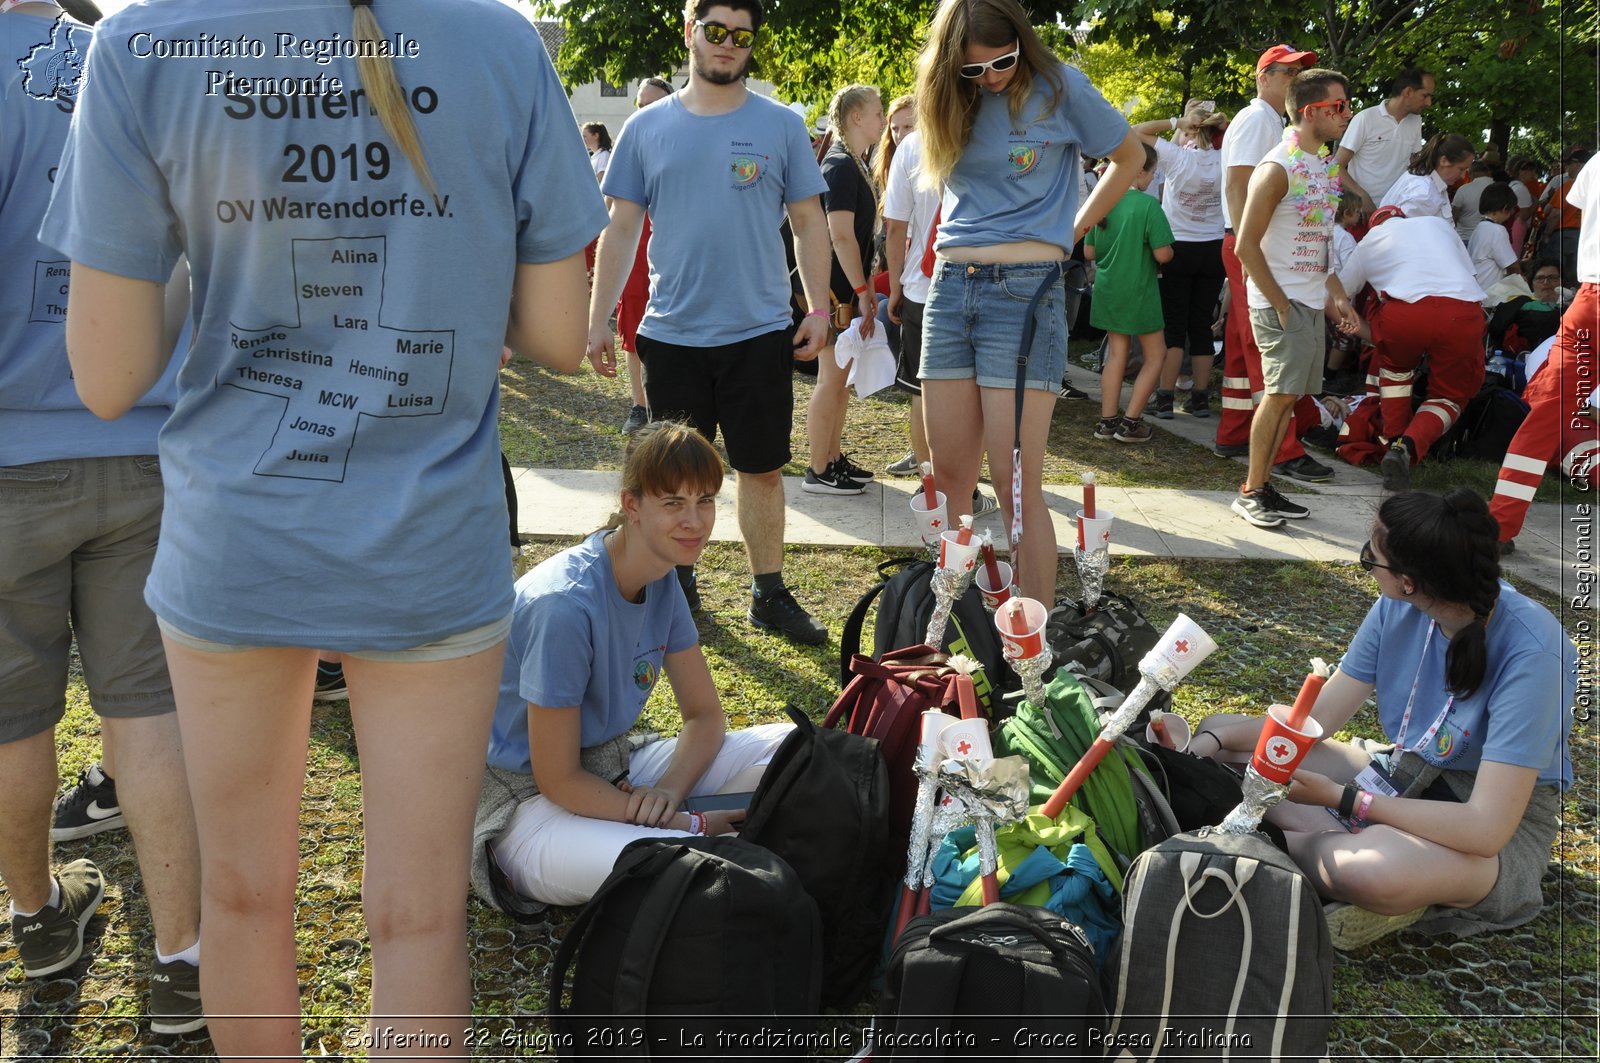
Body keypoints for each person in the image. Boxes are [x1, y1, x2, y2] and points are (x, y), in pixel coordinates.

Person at [41, 0, 606, 1055]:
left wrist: (205, 240)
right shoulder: (498, 42)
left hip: (238, 537)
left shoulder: (144, 45)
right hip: (432, 539)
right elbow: (558, 334)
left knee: (245, 899)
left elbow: (108, 375)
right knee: (422, 912)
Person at [2, 0, 202, 1035]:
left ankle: (40, 921)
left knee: (11, 716)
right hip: (142, 436)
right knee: (150, 712)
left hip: (7, 459)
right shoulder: (143, 62)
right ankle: (180, 964)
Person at [1195, 489, 1576, 951]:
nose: (1366, 565)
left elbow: (1485, 828)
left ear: (1408, 580)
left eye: (1368, 559)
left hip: (1487, 833)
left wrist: (1345, 799)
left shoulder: (1537, 654)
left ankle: (1269, 843)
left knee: (1375, 871)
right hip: (1403, 774)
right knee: (1239, 756)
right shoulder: (1398, 606)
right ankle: (1315, 850)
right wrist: (1213, 739)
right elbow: (1317, 717)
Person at [586, 0, 834, 646]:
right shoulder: (645, 128)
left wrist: (819, 304)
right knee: (675, 480)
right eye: (716, 31)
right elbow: (620, 229)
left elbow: (809, 222)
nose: (728, 45)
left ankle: (768, 592)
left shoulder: (781, 125)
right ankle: (676, 591)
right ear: (691, 32)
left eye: (741, 36)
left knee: (762, 469)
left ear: (752, 44)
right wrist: (598, 319)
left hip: (757, 332)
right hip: (672, 335)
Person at [472, 422, 791, 910]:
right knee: (701, 871)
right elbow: (556, 777)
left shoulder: (661, 575)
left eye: (705, 500)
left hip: (611, 770)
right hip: (526, 808)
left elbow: (704, 718)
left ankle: (707, 826)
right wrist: (684, 822)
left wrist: (665, 795)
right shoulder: (564, 606)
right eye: (673, 503)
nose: (695, 521)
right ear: (631, 505)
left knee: (796, 749)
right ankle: (706, 832)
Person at [913, 0, 1143, 604]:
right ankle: (951, 636)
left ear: (1023, 41)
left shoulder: (1061, 86)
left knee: (1016, 486)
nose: (989, 78)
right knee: (952, 481)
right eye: (972, 70)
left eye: (1001, 63)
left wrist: (1071, 231)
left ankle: (1030, 660)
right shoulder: (949, 96)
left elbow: (1131, 159)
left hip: (1026, 293)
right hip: (950, 287)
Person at [1231, 68, 1358, 528]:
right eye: (1339, 106)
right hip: (1279, 303)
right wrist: (1282, 306)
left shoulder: (1321, 167)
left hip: (1307, 300)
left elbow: (1320, 239)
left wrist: (1337, 295)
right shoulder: (1278, 167)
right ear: (1311, 111)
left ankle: (1263, 486)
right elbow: (1246, 246)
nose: (1347, 114)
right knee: (1279, 396)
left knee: (1289, 400)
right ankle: (1250, 492)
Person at [1213, 43, 1332, 485]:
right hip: (1251, 245)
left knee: (1247, 348)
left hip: (1247, 243)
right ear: (1263, 77)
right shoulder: (1257, 118)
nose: (1295, 79)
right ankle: (1282, 451)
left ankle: (1234, 431)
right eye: (1287, 72)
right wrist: (1251, 246)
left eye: (1302, 72)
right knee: (1269, 350)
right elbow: (1238, 182)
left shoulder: (1271, 121)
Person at [1332, 209, 1488, 489]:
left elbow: (1336, 296)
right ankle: (1408, 446)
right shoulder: (1437, 224)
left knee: (1395, 375)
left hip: (1404, 314)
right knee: (1450, 395)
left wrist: (1369, 332)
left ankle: (1393, 440)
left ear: (1372, 226)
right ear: (1404, 218)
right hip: (1461, 312)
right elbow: (1468, 273)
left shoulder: (1370, 241)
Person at [1492, 152, 1599, 551]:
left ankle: (1499, 525)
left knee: (1543, 420)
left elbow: (1579, 207)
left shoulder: (1596, 163)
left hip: (1591, 300)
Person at [803, 83, 886, 496]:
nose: (883, 119)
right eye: (877, 112)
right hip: (835, 292)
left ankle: (832, 458)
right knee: (830, 380)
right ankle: (818, 468)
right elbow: (840, 237)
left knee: (840, 380)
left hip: (847, 290)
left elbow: (859, 239)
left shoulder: (853, 164)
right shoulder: (838, 165)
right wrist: (861, 288)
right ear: (856, 117)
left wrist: (865, 287)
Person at [1131, 100, 1229, 419]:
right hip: (1213, 248)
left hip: (1178, 249)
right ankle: (1200, 398)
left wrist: (1175, 121)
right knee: (1201, 324)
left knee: (1174, 327)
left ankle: (1164, 398)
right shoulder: (1226, 158)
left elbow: (1135, 131)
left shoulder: (1177, 157)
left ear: (1191, 130)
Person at [1085, 142, 1175, 443]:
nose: (1153, 178)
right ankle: (1131, 422)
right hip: (1139, 290)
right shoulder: (1148, 205)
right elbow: (1163, 255)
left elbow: (1088, 250)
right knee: (1156, 355)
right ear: (1140, 170)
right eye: (1152, 172)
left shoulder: (1105, 201)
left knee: (1116, 356)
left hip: (1109, 289)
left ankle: (1107, 422)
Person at [617, 76, 676, 437]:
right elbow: (613, 208)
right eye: (640, 103)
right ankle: (640, 405)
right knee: (633, 327)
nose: (644, 111)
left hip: (672, 246)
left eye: (652, 104)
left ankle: (668, 404)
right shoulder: (632, 138)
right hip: (635, 249)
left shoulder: (682, 139)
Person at [1334, 68, 1434, 214]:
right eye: (1425, 95)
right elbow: (1336, 166)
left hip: (1396, 213)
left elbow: (1413, 164)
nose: (1429, 102)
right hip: (1361, 214)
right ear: (1407, 92)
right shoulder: (1365, 118)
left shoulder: (1416, 121)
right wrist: (1361, 196)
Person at [1380, 133, 1476, 222]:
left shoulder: (1426, 182)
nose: (1463, 176)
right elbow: (1407, 236)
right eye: (1461, 169)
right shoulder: (1424, 194)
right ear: (1444, 161)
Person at [1467, 182, 1521, 305]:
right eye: (1511, 209)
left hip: (1477, 289)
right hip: (1490, 295)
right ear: (1505, 208)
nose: (1512, 212)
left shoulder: (1479, 227)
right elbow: (1512, 266)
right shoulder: (1497, 230)